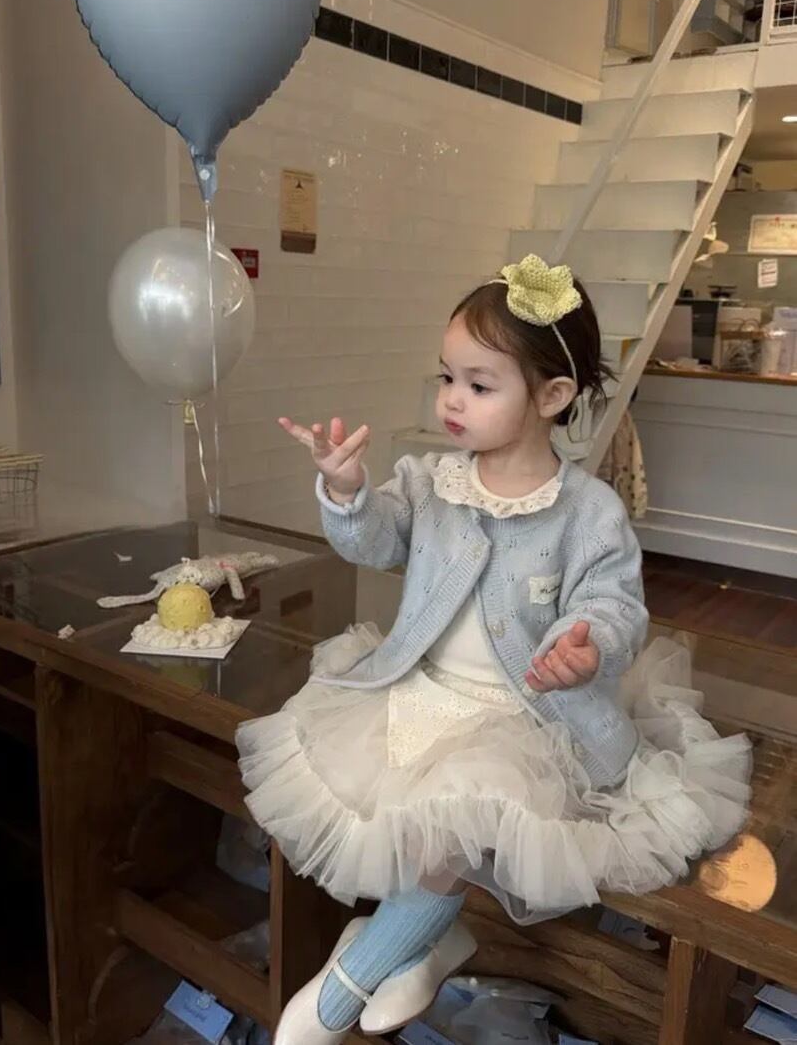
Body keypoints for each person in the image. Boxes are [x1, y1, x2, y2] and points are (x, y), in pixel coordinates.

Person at [236, 255, 751, 1045]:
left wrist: (586, 647)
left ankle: (348, 983)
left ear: (551, 396)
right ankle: (424, 943)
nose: (451, 399)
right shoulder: (430, 481)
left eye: (479, 385)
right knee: (422, 824)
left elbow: (614, 605)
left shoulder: (588, 511)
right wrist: (345, 490)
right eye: (448, 378)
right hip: (423, 690)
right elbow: (376, 541)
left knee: (459, 820)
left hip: (525, 717)